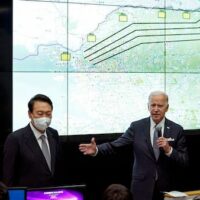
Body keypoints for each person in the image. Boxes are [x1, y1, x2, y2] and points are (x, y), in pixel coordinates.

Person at [79, 91, 188, 200]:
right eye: (153, 105)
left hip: (167, 188)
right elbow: (116, 145)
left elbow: (184, 160)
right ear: (148, 106)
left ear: (167, 107)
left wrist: (169, 150)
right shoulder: (137, 127)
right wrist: (97, 149)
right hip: (141, 187)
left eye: (160, 106)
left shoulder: (176, 129)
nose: (155, 109)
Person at [3, 94, 60, 188]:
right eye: (40, 113)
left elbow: (57, 168)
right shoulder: (15, 138)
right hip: (29, 195)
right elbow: (8, 177)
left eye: (48, 114)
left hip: (52, 194)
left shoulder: (53, 134)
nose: (45, 118)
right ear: (30, 114)